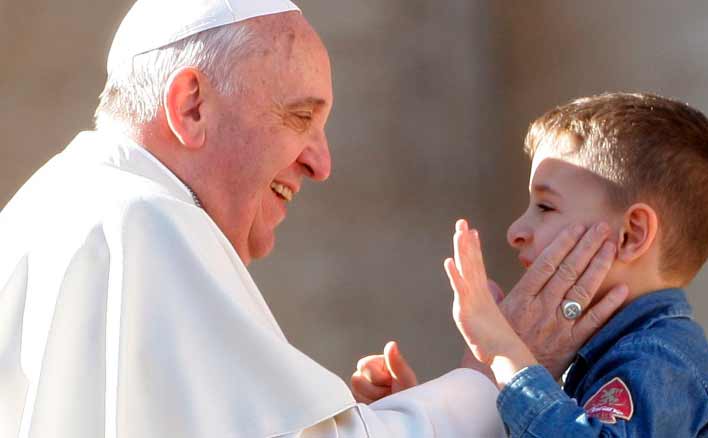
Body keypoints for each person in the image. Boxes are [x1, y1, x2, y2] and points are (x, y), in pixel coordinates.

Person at [0, 1, 627, 437]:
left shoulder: (51, 206)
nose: (321, 163)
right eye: (301, 119)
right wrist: (504, 370)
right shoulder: (142, 223)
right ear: (191, 107)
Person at [355, 93, 708, 436]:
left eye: (546, 206)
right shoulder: (616, 356)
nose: (516, 229)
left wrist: (505, 352)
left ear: (632, 234)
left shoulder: (659, 357)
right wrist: (424, 412)